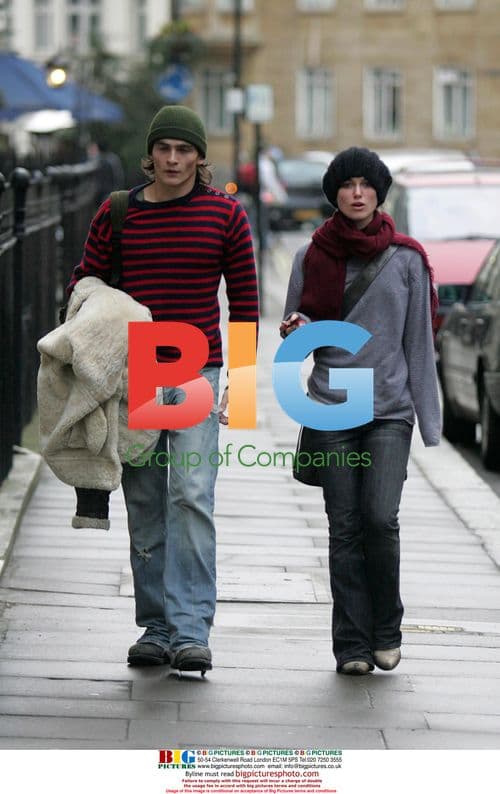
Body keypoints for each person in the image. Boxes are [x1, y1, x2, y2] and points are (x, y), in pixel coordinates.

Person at [66, 105, 259, 673]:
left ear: (200, 157)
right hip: (137, 375)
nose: (173, 160)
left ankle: (192, 629)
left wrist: (241, 389)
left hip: (199, 373)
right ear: (150, 155)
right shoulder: (118, 211)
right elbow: (86, 280)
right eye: (164, 149)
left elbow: (245, 304)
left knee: (192, 495)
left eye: (184, 150)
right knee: (146, 498)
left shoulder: (226, 215)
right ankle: (155, 626)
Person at [280, 147, 440, 675]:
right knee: (344, 526)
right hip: (330, 408)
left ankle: (386, 630)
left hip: (389, 412)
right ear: (335, 193)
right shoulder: (310, 257)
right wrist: (297, 330)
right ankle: (351, 644)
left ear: (379, 193)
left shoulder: (408, 259)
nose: (356, 193)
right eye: (347, 184)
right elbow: (294, 330)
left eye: (366, 185)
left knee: (379, 519)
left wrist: (430, 422)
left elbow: (419, 343)